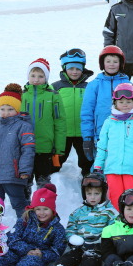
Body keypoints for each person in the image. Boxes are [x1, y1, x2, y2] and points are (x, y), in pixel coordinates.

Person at [0, 84, 35, 218]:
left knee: (19, 203)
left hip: (13, 175)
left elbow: (28, 149)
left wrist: (24, 170)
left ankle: (26, 228)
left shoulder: (24, 126)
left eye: (10, 109)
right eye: (2, 109)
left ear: (17, 110)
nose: (6, 112)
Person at [92, 83, 133, 210]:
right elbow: (102, 147)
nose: (125, 104)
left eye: (128, 101)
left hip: (132, 169)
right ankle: (118, 225)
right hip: (112, 169)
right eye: (121, 102)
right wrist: (98, 166)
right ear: (115, 103)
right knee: (116, 199)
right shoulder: (109, 123)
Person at [50, 173, 117, 266]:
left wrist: (102, 240)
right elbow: (70, 228)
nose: (92, 197)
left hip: (97, 247)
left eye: (96, 193)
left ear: (103, 193)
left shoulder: (109, 212)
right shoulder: (78, 212)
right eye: (89, 194)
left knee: (91, 259)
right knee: (71, 255)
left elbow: (114, 229)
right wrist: (72, 238)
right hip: (80, 245)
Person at [21, 58, 66, 190]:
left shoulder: (53, 96)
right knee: (24, 181)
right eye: (33, 75)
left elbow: (60, 122)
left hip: (45, 148)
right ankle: (25, 206)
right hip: (24, 148)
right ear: (28, 76)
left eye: (41, 76)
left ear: (46, 78)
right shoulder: (22, 96)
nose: (36, 79)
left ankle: (43, 206)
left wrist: (59, 148)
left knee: (43, 181)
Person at [80, 46, 131, 161]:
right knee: (100, 163)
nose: (111, 64)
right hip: (100, 134)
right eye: (108, 61)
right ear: (102, 64)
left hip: (122, 134)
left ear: (121, 63)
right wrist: (87, 137)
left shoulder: (127, 84)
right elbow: (87, 112)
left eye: (115, 61)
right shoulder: (94, 85)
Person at [52, 48, 94, 177]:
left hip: (83, 132)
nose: (74, 72)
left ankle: (88, 182)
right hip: (63, 133)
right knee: (57, 161)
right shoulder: (56, 87)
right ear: (64, 68)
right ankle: (51, 181)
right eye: (71, 68)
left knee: (87, 160)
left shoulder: (89, 87)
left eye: (78, 68)